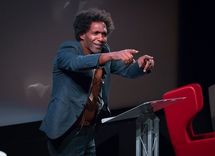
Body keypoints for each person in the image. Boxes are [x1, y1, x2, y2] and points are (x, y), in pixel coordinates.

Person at [40, 8, 155, 156]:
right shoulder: (68, 49)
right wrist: (112, 55)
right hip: (67, 131)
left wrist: (141, 65)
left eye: (104, 34)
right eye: (95, 33)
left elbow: (127, 71)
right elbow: (76, 63)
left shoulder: (104, 52)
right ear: (82, 34)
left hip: (89, 131)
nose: (101, 38)